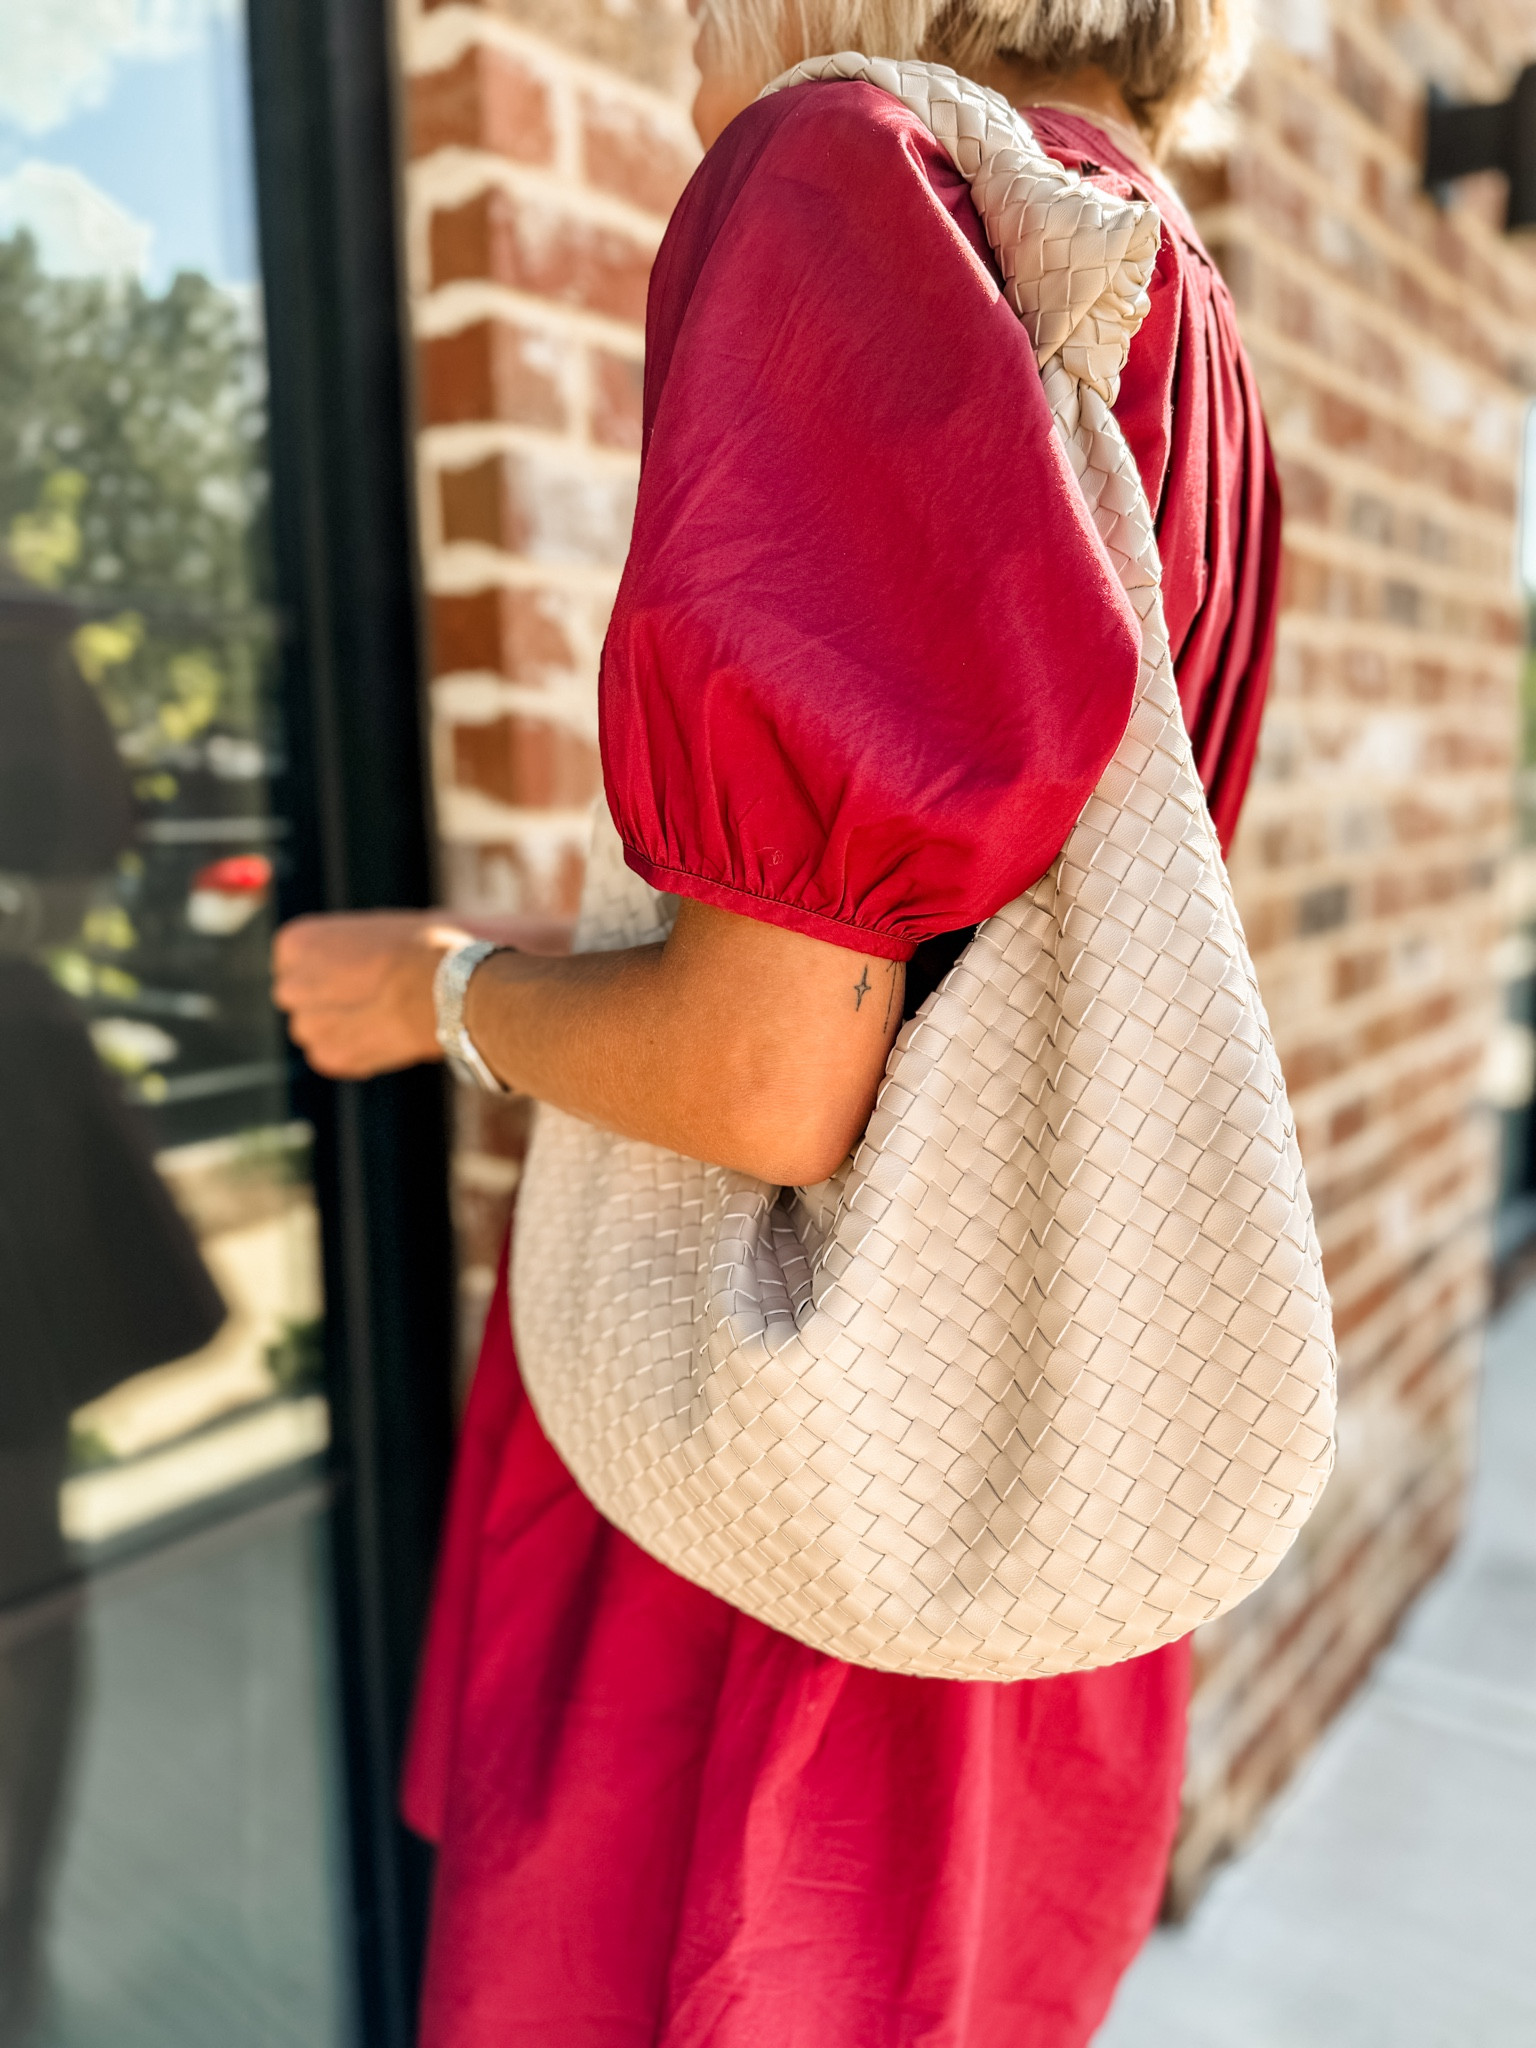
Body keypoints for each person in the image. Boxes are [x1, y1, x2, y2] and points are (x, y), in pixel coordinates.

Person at [273, 0, 1279, 2038]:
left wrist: (438, 996)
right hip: (1004, 1498)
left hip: (756, 1534)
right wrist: (594, 932)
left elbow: (768, 1067)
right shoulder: (1178, 310)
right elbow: (945, 960)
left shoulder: (873, 180)